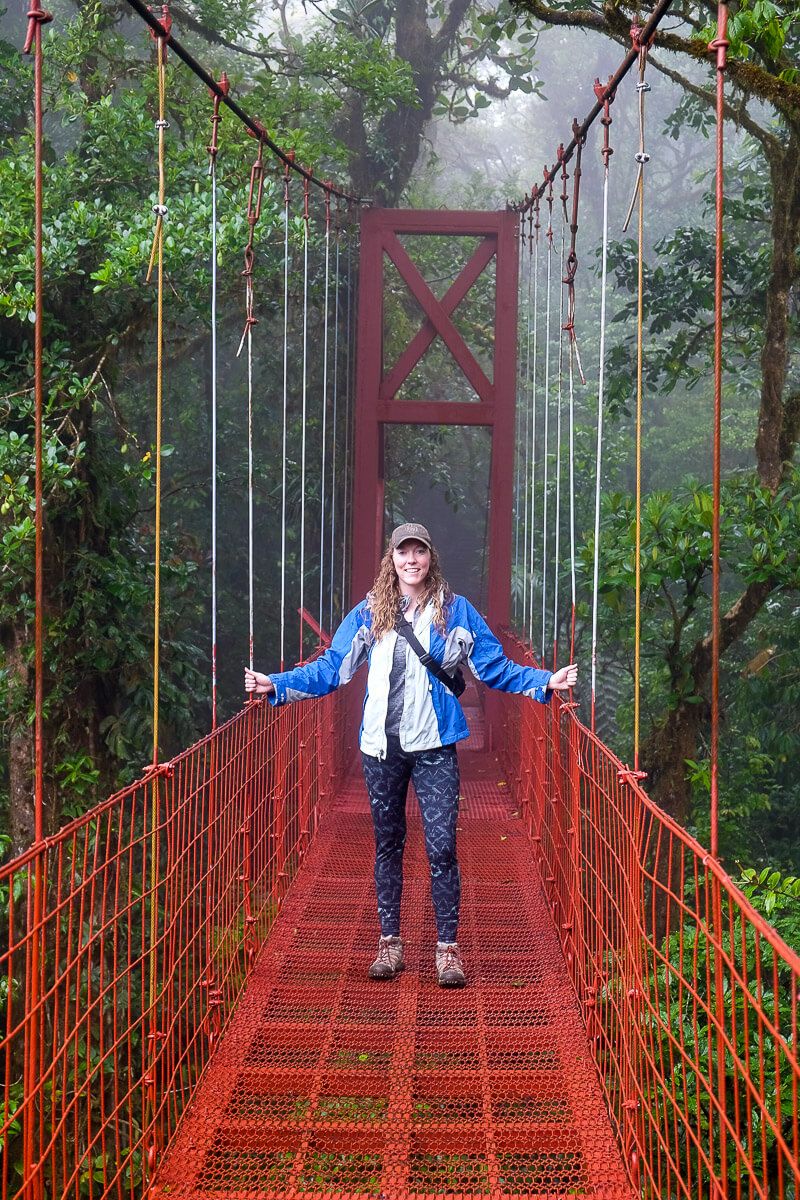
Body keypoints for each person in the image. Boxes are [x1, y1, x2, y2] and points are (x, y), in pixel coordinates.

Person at [245, 522, 577, 989]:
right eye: (403, 552)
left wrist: (545, 682)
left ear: (430, 557)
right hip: (381, 749)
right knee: (388, 844)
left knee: (441, 847)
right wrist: (275, 684)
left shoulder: (456, 612)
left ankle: (447, 951)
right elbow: (330, 669)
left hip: (435, 746)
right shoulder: (368, 614)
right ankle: (390, 944)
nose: (411, 560)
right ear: (393, 559)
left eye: (419, 551)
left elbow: (493, 666)